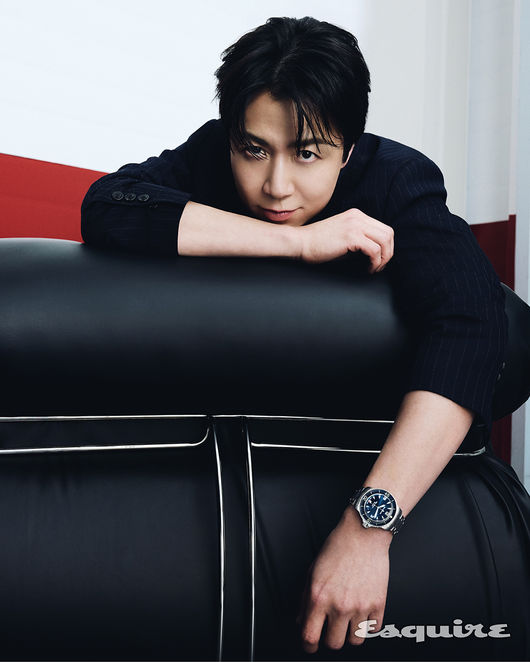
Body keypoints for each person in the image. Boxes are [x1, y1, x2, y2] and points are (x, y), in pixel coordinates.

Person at [81, 16, 526, 659]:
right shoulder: (214, 153)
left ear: (349, 146)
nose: (276, 185)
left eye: (308, 153)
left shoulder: (397, 179)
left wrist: (369, 531)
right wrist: (295, 242)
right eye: (254, 150)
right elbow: (108, 204)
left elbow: (473, 326)